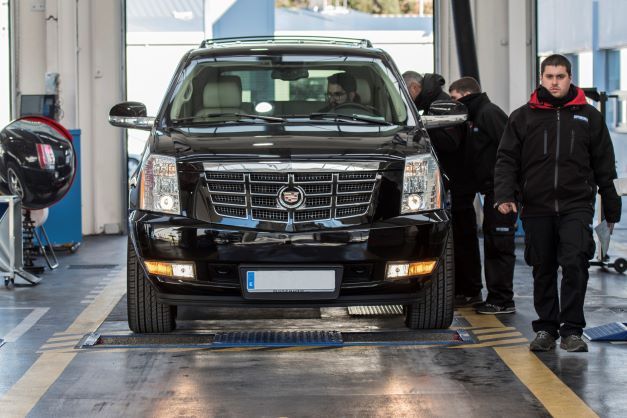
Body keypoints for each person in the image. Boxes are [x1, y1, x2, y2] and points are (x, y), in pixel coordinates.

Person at [494, 54, 622, 352]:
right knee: (543, 267)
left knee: (576, 262)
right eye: (549, 77)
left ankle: (572, 330)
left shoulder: (589, 117)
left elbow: (605, 165)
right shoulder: (523, 116)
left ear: (569, 77)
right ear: (541, 77)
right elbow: (506, 160)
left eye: (560, 76)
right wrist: (504, 195)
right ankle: (547, 329)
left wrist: (613, 209)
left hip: (576, 204)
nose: (554, 82)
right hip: (537, 206)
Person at [403, 71, 482, 308]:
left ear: (415, 89)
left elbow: (451, 143)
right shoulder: (433, 102)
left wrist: (424, 135)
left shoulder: (442, 105)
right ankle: (463, 289)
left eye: (406, 94)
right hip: (453, 184)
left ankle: (469, 290)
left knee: (462, 238)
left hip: (458, 185)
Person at [449, 77, 516, 314]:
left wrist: (510, 191)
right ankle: (490, 295)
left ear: (467, 95)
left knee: (499, 244)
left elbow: (511, 147)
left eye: (455, 98)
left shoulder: (488, 113)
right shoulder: (473, 116)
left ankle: (502, 300)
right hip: (489, 190)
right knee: (490, 241)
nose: (452, 104)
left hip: (500, 191)